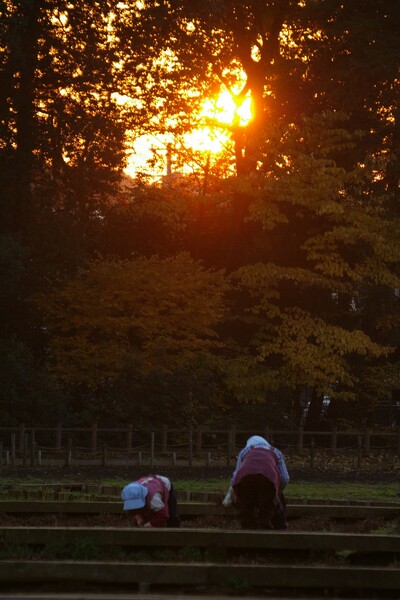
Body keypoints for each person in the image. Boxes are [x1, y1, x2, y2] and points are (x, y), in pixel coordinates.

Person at [222, 435, 289, 530]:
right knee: (266, 509)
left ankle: (247, 534)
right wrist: (278, 491)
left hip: (245, 477)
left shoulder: (245, 451)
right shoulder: (275, 451)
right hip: (268, 477)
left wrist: (229, 496)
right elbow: (285, 478)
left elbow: (236, 474)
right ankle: (264, 532)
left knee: (246, 508)